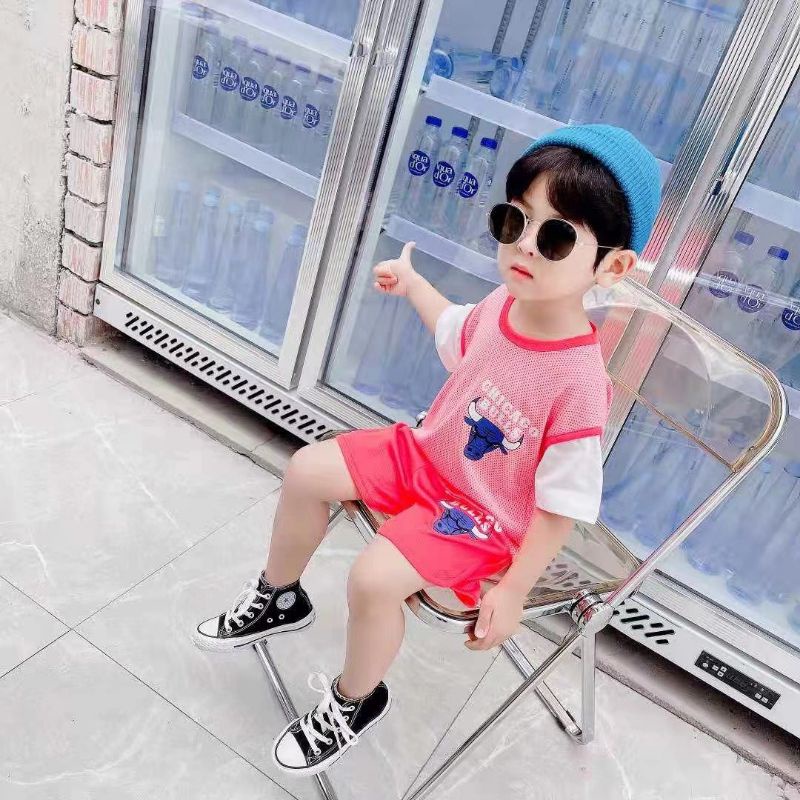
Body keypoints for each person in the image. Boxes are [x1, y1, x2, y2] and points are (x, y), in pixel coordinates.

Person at [192, 123, 661, 776]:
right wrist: (413, 284)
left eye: (555, 237)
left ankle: (355, 699)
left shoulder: (580, 383)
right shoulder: (504, 303)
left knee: (373, 579)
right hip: (425, 456)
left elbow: (562, 507)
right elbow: (456, 330)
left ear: (611, 267)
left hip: (482, 515)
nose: (525, 244)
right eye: (515, 220)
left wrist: (514, 591)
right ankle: (281, 595)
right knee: (306, 470)